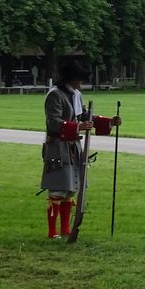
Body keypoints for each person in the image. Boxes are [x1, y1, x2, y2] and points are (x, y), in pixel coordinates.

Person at [41, 60, 121, 238]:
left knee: (70, 189)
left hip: (73, 147)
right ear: (71, 79)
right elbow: (53, 123)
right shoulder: (54, 95)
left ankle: (66, 229)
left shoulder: (76, 95)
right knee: (57, 189)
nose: (80, 83)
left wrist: (108, 121)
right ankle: (53, 232)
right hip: (58, 148)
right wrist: (77, 127)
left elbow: (85, 116)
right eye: (79, 79)